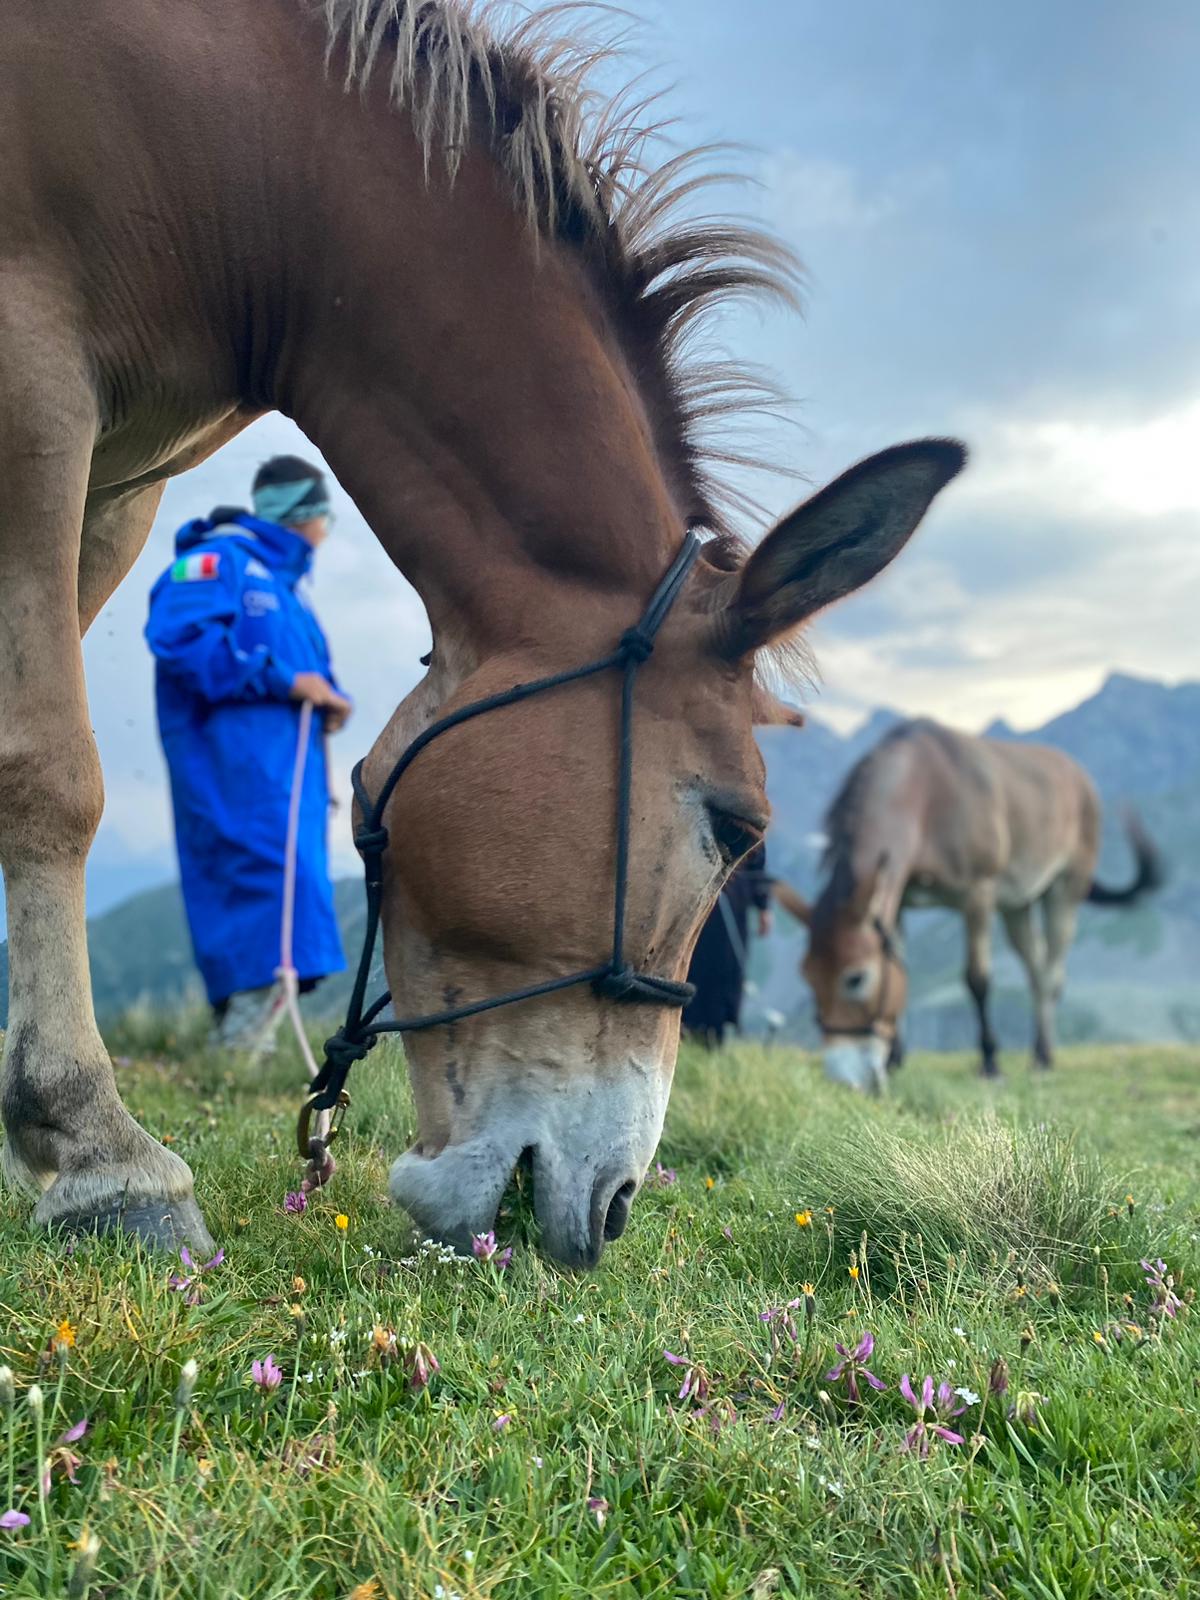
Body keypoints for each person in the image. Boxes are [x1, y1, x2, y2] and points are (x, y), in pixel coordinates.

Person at [146, 455, 350, 1053]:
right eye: (323, 516)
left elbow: (305, 675)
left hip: (290, 779)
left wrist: (323, 698)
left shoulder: (289, 589)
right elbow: (181, 642)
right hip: (234, 774)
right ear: (305, 514)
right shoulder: (216, 563)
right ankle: (236, 1048)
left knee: (289, 896)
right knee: (254, 887)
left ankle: (249, 1047)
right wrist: (286, 681)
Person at [683, 841, 773, 1048]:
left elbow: (756, 853)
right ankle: (684, 1029)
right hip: (697, 894)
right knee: (693, 963)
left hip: (733, 899)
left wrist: (763, 904)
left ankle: (714, 1037)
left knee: (724, 968)